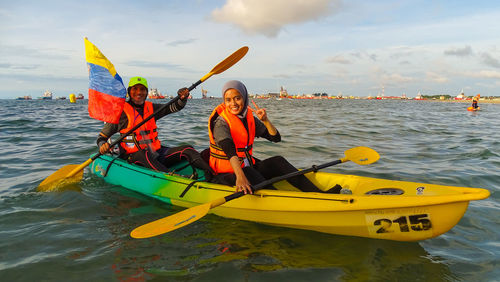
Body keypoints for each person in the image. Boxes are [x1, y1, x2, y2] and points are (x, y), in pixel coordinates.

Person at [207, 80, 333, 194]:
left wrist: (266, 121)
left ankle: (319, 194)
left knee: (278, 161)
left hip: (246, 168)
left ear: (244, 98)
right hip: (225, 174)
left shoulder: (248, 118)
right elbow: (230, 152)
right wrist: (240, 177)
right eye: (228, 100)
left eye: (237, 98)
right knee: (249, 172)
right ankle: (278, 201)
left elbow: (275, 138)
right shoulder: (221, 123)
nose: (233, 103)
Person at [97, 76, 213, 178]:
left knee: (187, 149)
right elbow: (102, 137)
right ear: (129, 92)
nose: (139, 92)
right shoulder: (120, 113)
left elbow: (174, 107)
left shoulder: (151, 108)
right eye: (135, 89)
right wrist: (103, 145)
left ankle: (212, 174)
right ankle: (173, 179)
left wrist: (182, 98)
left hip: (156, 153)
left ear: (147, 92)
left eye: (142, 89)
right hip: (133, 157)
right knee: (143, 154)